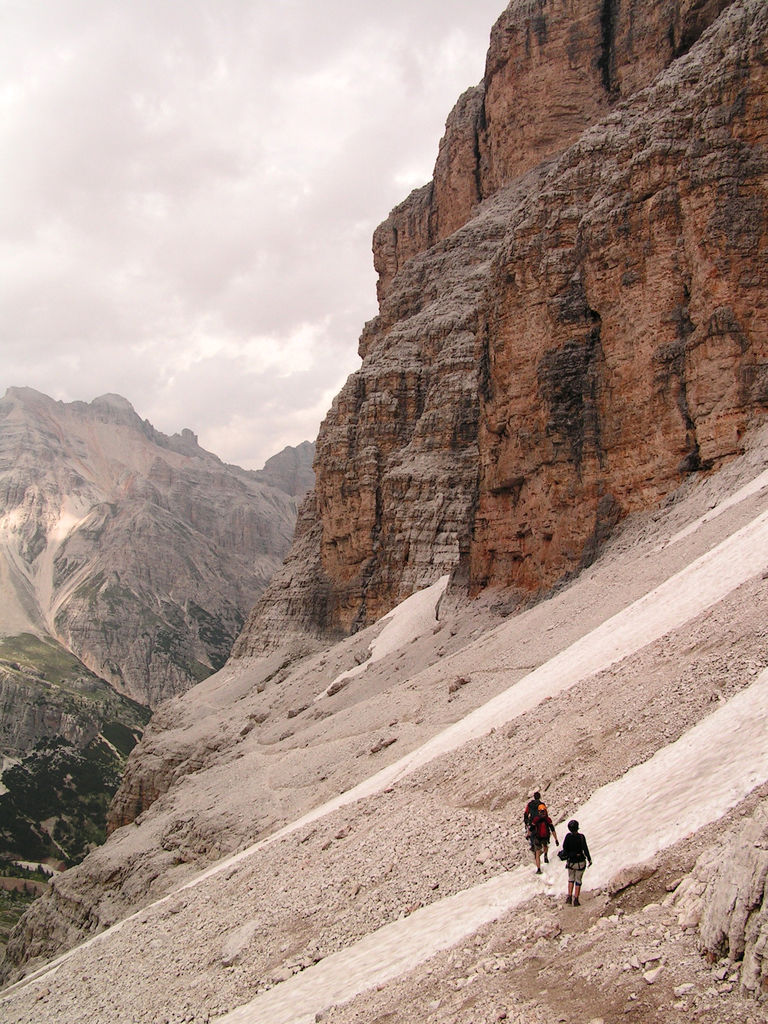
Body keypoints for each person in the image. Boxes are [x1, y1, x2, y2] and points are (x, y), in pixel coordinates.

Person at [523, 791, 559, 873]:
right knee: (545, 844)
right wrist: (556, 839)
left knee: (536, 847)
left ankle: (538, 867)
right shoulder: (542, 806)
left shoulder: (530, 804)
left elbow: (526, 813)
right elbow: (552, 828)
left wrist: (527, 831)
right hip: (545, 833)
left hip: (534, 825)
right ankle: (545, 854)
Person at [562, 819, 592, 905]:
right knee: (578, 880)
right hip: (580, 861)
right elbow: (585, 849)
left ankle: (569, 897)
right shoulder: (581, 837)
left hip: (571, 862)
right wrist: (589, 859)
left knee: (571, 879)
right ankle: (576, 899)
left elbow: (565, 848)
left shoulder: (568, 836)